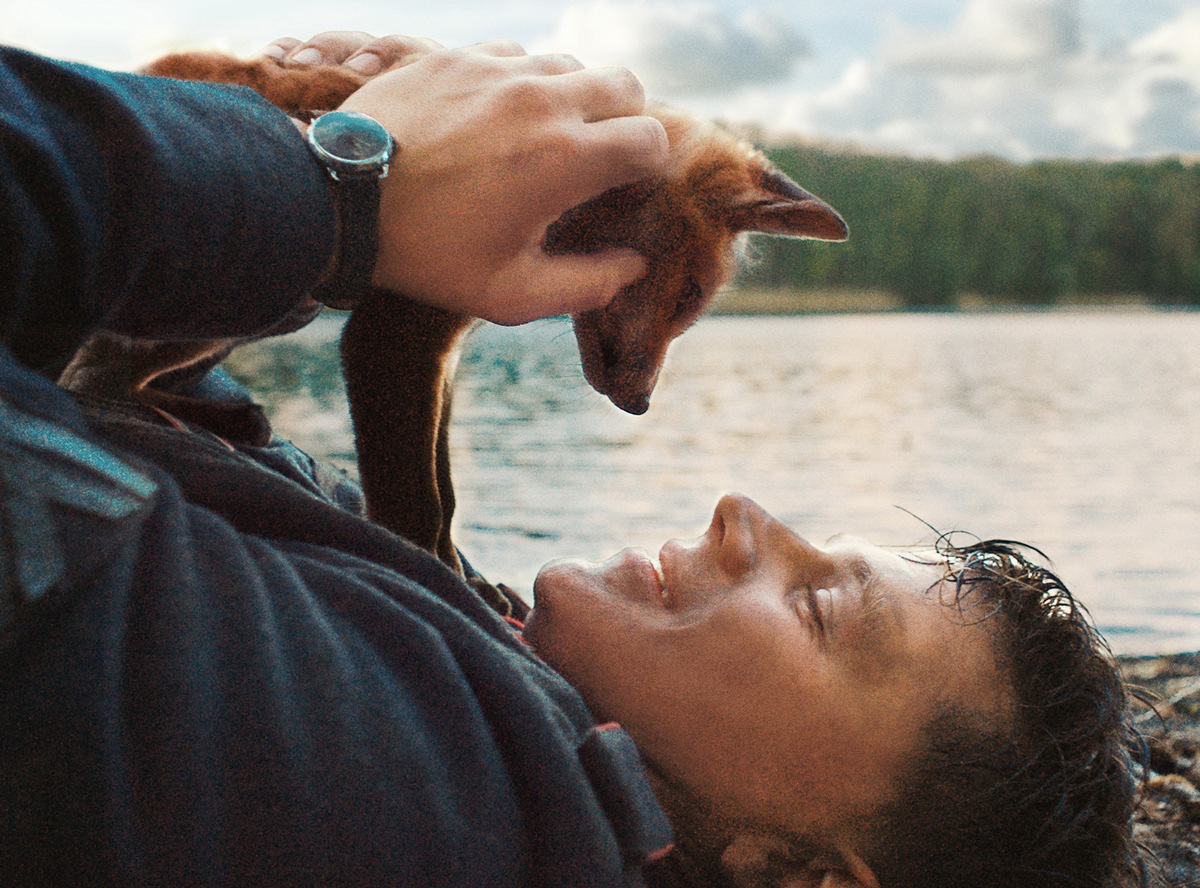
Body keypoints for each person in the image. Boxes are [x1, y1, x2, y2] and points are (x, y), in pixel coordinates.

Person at [0, 31, 1140, 888]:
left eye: (820, 609)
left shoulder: (416, 792)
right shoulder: (508, 700)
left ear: (800, 874)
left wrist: (338, 187)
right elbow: (141, 408)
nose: (742, 511)